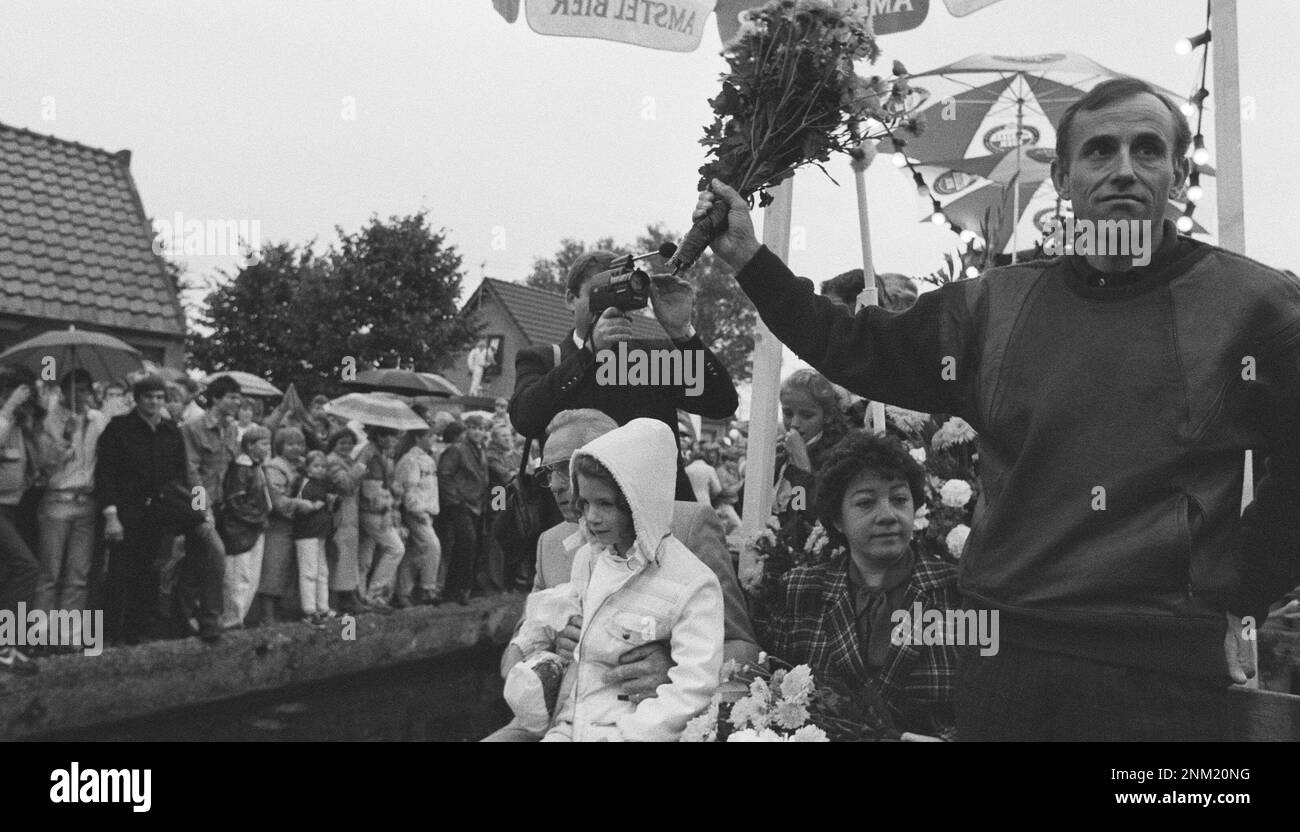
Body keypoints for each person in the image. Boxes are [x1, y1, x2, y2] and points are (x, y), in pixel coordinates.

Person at [693, 76, 1300, 741]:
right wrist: (752, 261)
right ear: (1064, 178)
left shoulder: (1256, 309)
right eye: (1100, 151)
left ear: (1180, 172)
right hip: (1010, 673)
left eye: (1147, 150)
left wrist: (1244, 584)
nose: (1124, 169)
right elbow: (855, 345)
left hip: (1166, 683)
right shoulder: (992, 310)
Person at [483, 408, 758, 742]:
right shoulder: (551, 543)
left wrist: (668, 665)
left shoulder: (690, 525)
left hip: (640, 718)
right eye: (548, 471)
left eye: (563, 467)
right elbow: (513, 658)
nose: (556, 484)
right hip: (558, 716)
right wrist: (556, 646)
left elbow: (742, 648)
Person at [754, 431, 958, 740]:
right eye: (866, 502)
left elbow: (998, 702)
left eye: (900, 499)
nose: (888, 515)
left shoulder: (957, 592)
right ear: (837, 519)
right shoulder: (800, 591)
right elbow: (775, 697)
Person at [534, 419, 723, 741]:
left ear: (640, 502)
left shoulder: (693, 582)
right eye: (586, 503)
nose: (591, 517)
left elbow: (692, 688)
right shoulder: (588, 560)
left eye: (605, 504)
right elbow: (583, 673)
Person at [508, 251, 740, 502]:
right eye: (600, 294)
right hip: (580, 519)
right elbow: (525, 418)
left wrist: (683, 334)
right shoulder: (544, 360)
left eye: (620, 293)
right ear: (570, 299)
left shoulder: (652, 356)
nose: (611, 304)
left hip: (658, 517)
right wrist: (589, 354)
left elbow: (721, 403)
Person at [96, 374, 189, 645]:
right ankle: (110, 633)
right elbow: (107, 475)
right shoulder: (119, 428)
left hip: (158, 513)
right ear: (137, 399)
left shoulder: (171, 431)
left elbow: (182, 473)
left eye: (160, 397)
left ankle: (136, 632)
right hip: (126, 512)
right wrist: (111, 516)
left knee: (148, 572)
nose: (155, 402)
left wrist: (192, 509)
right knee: (118, 574)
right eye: (149, 397)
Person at [34, 368, 107, 649]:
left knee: (78, 574)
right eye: (76, 389)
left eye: (86, 389)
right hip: (57, 500)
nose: (82, 395)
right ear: (64, 391)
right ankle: (40, 635)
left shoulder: (99, 419)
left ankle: (68, 636)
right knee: (49, 573)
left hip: (86, 501)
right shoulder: (50, 419)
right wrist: (66, 437)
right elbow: (44, 465)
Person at [178, 373, 243, 641]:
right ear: (216, 398)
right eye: (232, 397)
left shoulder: (231, 430)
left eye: (239, 397)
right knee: (216, 556)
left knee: (195, 563)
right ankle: (210, 621)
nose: (237, 402)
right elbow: (190, 471)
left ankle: (181, 619)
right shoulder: (194, 428)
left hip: (218, 505)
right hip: (195, 504)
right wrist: (202, 509)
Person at [0, 367, 41, 671]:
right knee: (27, 567)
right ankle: (5, 645)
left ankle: (7, 645)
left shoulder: (21, 425)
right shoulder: (4, 419)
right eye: (22, 393)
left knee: (7, 575)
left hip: (13, 509)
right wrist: (8, 407)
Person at [257, 427, 315, 624]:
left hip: (299, 523)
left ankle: (285, 610)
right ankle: (267, 615)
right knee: (274, 565)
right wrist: (298, 504)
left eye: (299, 444)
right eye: (290, 444)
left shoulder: (303, 464)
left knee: (290, 569)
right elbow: (276, 500)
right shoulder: (275, 467)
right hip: (279, 523)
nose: (296, 448)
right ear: (280, 446)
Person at [218, 425, 272, 629]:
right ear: (250, 445)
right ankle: (231, 618)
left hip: (255, 529)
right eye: (264, 444)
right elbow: (236, 502)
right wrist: (258, 517)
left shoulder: (256, 466)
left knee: (251, 579)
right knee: (237, 577)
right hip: (239, 531)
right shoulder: (241, 468)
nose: (268, 448)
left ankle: (239, 618)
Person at [356, 426, 405, 608]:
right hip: (373, 512)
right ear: (381, 436)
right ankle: (375, 594)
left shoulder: (376, 453)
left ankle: (360, 595)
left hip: (367, 510)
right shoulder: (373, 456)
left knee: (365, 557)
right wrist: (390, 505)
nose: (395, 440)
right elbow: (372, 492)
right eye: (393, 436)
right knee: (396, 549)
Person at [392, 425, 442, 607]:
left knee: (413, 552)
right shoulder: (410, 460)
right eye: (429, 436)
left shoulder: (428, 459)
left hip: (428, 511)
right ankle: (427, 588)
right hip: (417, 512)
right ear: (417, 438)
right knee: (432, 546)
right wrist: (417, 510)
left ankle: (403, 592)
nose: (433, 439)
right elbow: (409, 488)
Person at [325, 428, 368, 615]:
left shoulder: (347, 460)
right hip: (340, 516)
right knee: (342, 555)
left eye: (350, 443)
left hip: (350, 515)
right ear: (334, 444)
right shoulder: (332, 461)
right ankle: (344, 603)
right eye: (342, 443)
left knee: (349, 555)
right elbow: (345, 485)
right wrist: (359, 470)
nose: (346, 446)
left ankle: (349, 596)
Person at [292, 450, 335, 625]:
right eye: (316, 466)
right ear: (308, 467)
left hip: (321, 532)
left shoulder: (324, 484)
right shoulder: (304, 483)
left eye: (323, 467)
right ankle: (309, 610)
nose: (320, 470)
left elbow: (328, 504)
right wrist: (317, 504)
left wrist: (331, 502)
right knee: (309, 571)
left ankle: (323, 607)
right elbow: (302, 505)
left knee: (322, 571)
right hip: (306, 532)